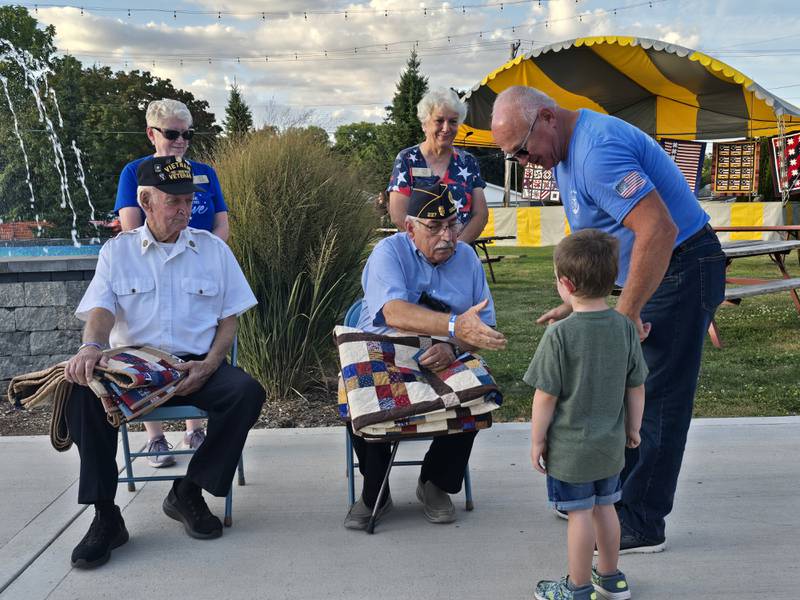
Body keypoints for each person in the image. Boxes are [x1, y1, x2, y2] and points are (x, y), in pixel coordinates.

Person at [491, 86, 726, 553]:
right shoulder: (562, 155)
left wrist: (625, 316)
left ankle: (641, 523)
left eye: (520, 150)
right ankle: (601, 497)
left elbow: (659, 229)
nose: (521, 162)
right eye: (511, 155)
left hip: (680, 269)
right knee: (619, 393)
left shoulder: (596, 153)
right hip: (659, 266)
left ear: (546, 118)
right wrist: (582, 298)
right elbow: (604, 236)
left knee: (656, 400)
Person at [63, 156, 265, 569]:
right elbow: (101, 308)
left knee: (246, 393)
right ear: (146, 200)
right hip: (133, 367)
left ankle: (188, 491)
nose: (185, 210)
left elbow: (230, 318)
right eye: (174, 201)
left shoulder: (213, 251)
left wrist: (210, 364)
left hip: (194, 365)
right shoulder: (118, 251)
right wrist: (91, 348)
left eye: (189, 201)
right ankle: (106, 515)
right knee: (79, 391)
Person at [345, 182, 507, 530]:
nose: (446, 236)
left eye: (452, 224)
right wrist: (453, 327)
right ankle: (375, 490)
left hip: (446, 351)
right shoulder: (388, 252)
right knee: (360, 391)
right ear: (410, 228)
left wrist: (454, 345)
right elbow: (393, 312)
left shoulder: (467, 258)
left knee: (479, 390)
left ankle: (436, 482)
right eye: (434, 228)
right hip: (387, 348)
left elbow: (482, 325)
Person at [525, 230, 647, 600]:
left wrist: (537, 440)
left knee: (579, 514)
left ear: (566, 284)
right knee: (607, 507)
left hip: (571, 450)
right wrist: (633, 428)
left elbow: (545, 396)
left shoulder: (560, 335)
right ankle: (610, 578)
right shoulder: (625, 327)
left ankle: (576, 588)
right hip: (610, 446)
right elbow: (636, 386)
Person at [115, 98, 230, 463]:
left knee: (197, 332)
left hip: (199, 272)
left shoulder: (204, 172)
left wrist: (205, 258)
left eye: (187, 134)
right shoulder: (135, 172)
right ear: (152, 133)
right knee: (146, 332)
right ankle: (155, 436)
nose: (181, 140)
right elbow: (132, 225)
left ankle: (194, 430)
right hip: (153, 266)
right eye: (173, 133)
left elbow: (221, 223)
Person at [387, 87, 488, 243]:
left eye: (453, 121)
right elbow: (398, 214)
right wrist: (430, 246)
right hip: (420, 254)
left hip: (460, 254)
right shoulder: (407, 159)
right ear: (424, 124)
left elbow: (481, 214)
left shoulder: (468, 161)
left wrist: (456, 247)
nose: (446, 128)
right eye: (439, 121)